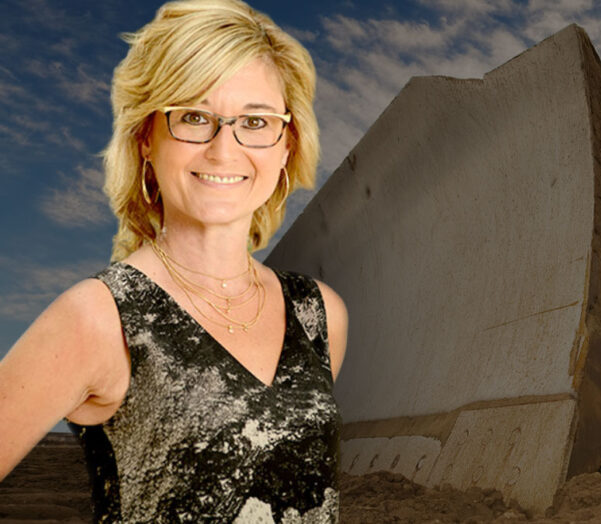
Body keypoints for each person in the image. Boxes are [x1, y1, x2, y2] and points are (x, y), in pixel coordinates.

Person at [0, 0, 348, 520]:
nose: (224, 149)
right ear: (146, 138)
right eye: (194, 117)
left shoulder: (318, 314)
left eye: (255, 121)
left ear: (286, 146)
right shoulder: (99, 317)